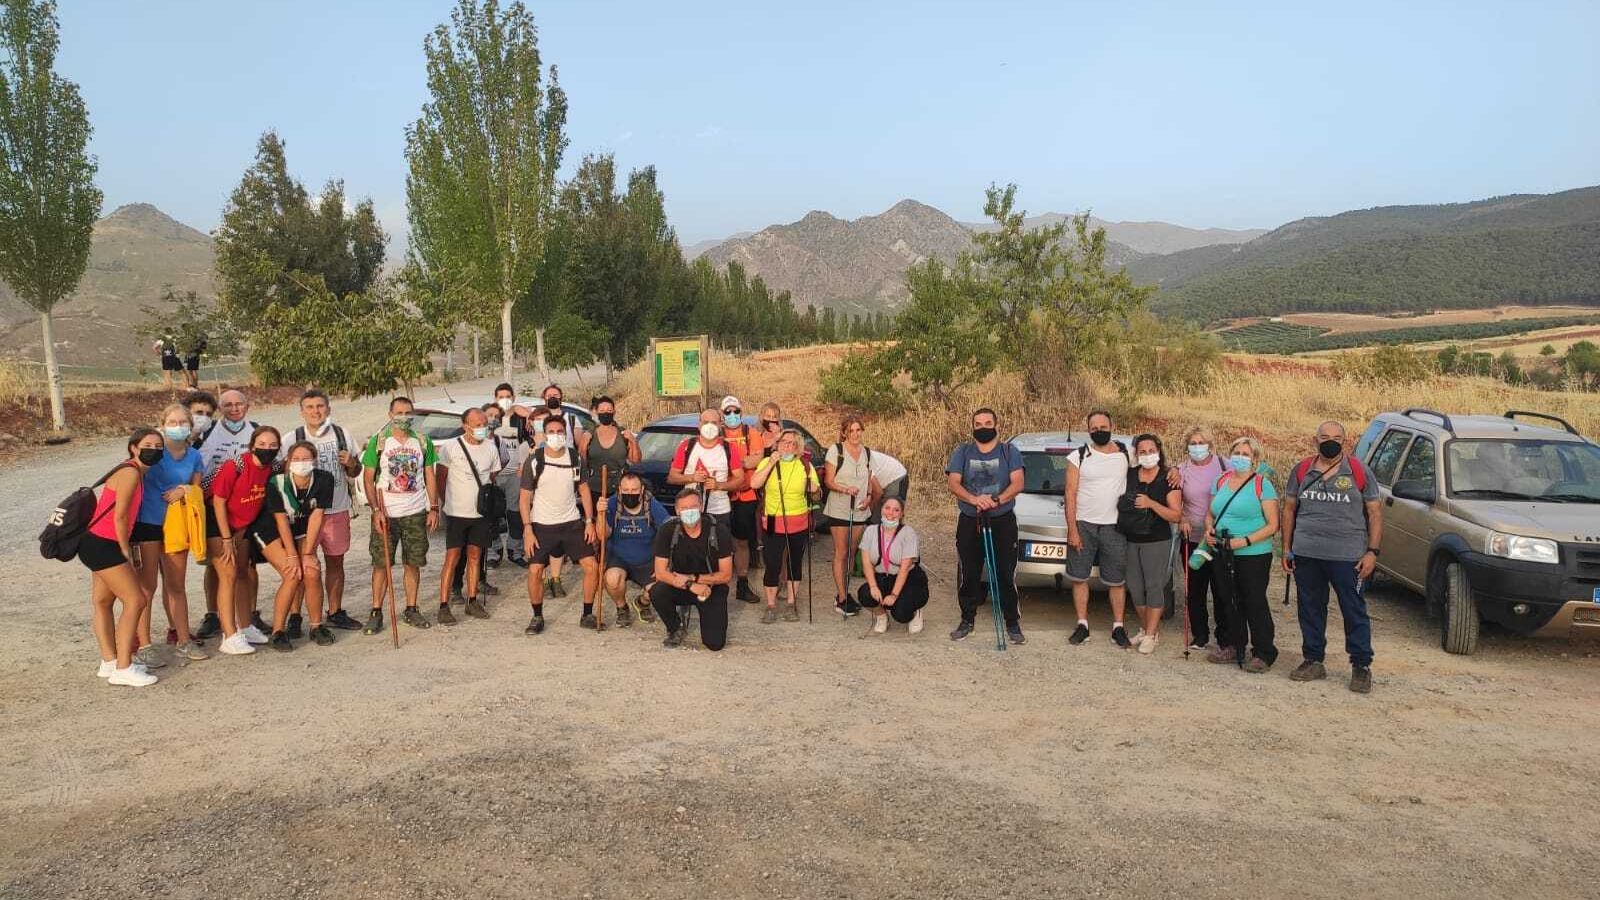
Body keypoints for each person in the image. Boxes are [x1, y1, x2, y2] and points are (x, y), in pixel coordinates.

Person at [1282, 420, 1382, 694]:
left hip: (1348, 556)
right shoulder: (1302, 469)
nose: (1331, 441)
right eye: (1325, 436)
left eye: (1337, 437)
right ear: (1315, 440)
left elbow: (1374, 513)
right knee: (1310, 609)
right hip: (1307, 553)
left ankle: (1361, 666)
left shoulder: (1359, 471)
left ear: (1345, 441)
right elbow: (1289, 509)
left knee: (1353, 610)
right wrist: (1286, 548)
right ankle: (1313, 660)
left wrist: (1372, 552)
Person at [83, 429, 164, 686]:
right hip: (105, 544)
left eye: (158, 445)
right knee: (136, 599)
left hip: (94, 542)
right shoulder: (130, 473)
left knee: (103, 601)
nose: (154, 449)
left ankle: (109, 661)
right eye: (147, 444)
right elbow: (120, 517)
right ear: (133, 448)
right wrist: (125, 552)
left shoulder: (132, 471)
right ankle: (123, 666)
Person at [281, 389, 364, 633]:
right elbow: (281, 473)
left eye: (320, 406)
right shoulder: (292, 438)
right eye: (310, 407)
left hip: (336, 509)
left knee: (335, 562)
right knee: (301, 566)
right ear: (301, 411)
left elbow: (355, 472)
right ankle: (295, 616)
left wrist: (351, 463)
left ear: (328, 408)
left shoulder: (342, 434)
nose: (315, 411)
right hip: (303, 514)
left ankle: (335, 611)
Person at [131, 404, 206, 668]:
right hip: (148, 524)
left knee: (176, 585)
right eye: (172, 421)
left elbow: (197, 489)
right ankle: (144, 644)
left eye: (183, 421)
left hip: (177, 524)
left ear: (190, 425)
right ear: (162, 424)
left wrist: (184, 490)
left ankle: (183, 639)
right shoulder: (153, 452)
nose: (178, 426)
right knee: (146, 588)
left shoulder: (195, 456)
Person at [945, 408, 1026, 644]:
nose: (983, 427)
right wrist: (974, 499)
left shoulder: (1009, 451)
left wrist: (996, 500)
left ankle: (1012, 623)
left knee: (1005, 573)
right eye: (978, 424)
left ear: (996, 425)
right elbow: (953, 482)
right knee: (969, 572)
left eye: (987, 423)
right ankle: (967, 620)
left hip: (1002, 519)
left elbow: (1018, 482)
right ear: (973, 427)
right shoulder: (963, 451)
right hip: (971, 519)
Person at [360, 397, 440, 634]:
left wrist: (433, 507)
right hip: (387, 512)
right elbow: (368, 477)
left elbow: (429, 474)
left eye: (408, 413)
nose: (403, 417)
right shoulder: (379, 442)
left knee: (413, 563)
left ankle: (411, 608)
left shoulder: (423, 442)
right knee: (381, 564)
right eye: (399, 412)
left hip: (414, 511)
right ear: (390, 415)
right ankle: (376, 611)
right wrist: (375, 510)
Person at [1204, 436, 1281, 672]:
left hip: (1253, 553)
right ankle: (1233, 645)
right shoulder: (1221, 480)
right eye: (1236, 452)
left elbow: (1272, 524)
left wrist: (1244, 541)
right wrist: (1209, 530)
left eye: (1246, 454)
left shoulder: (1261, 485)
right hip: (1223, 550)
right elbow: (1211, 512)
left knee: (1254, 601)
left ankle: (1263, 652)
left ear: (1255, 459)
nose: (1240, 457)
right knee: (1229, 599)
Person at [519, 415, 600, 633]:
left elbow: (583, 490)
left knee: (591, 566)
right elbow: (525, 497)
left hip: (571, 523)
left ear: (566, 433)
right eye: (552, 432)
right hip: (542, 524)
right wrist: (527, 529)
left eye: (560, 431)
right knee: (535, 570)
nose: (556, 435)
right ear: (545, 435)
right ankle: (537, 616)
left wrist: (590, 521)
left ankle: (588, 613)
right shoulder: (534, 460)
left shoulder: (575, 459)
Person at [195, 389, 265, 638]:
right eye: (228, 405)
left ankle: (250, 615)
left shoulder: (255, 430)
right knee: (216, 566)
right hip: (213, 505)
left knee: (247, 565)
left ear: (247, 406)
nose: (234, 409)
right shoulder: (206, 432)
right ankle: (213, 615)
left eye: (239, 404)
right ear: (220, 408)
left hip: (246, 508)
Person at [208, 426, 281, 656]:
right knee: (228, 576)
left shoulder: (271, 468)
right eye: (262, 444)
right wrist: (226, 538)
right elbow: (218, 502)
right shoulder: (236, 466)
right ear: (252, 445)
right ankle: (229, 635)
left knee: (242, 573)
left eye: (272, 445)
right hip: (217, 525)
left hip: (242, 527)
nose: (266, 449)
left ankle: (246, 625)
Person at [1065, 410, 1134, 648]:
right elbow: (1070, 493)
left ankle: (1118, 627)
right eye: (1094, 428)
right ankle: (1082, 624)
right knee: (1079, 576)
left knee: (1116, 580)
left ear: (1111, 425)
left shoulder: (1128, 453)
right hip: (1084, 524)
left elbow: (1152, 466)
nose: (1099, 431)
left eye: (1103, 427)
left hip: (1116, 526)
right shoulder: (1078, 456)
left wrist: (1174, 471)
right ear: (1088, 430)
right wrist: (1072, 529)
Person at [258, 441, 335, 651]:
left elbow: (317, 517)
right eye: (297, 459)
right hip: (270, 531)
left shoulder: (324, 478)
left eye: (306, 458)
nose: (302, 463)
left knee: (311, 571)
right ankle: (278, 631)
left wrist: (309, 552)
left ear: (315, 460)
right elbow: (281, 520)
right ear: (289, 461)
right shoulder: (277, 482)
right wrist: (293, 555)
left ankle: (316, 626)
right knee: (292, 573)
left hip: (300, 530)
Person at [436, 407, 501, 625]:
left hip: (480, 514)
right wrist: (446, 502)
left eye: (485, 423)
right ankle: (444, 605)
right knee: (452, 558)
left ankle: (472, 599)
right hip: (456, 512)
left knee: (475, 556)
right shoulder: (450, 447)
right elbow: (441, 478)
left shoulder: (491, 448)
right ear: (466, 426)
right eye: (478, 424)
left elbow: (493, 475)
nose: (483, 427)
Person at [1119, 434, 1183, 654]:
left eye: (1151, 450)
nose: (1147, 455)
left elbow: (1175, 515)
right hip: (1131, 538)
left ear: (1159, 451)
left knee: (1154, 586)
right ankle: (1147, 629)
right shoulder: (1129, 475)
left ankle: (1151, 634)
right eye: (1142, 451)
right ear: (1136, 454)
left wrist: (1151, 503)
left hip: (1157, 540)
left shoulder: (1168, 479)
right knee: (1135, 588)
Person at [748, 428, 820, 623]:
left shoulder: (805, 466)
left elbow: (816, 493)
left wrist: (813, 489)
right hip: (772, 520)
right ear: (777, 444)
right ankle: (770, 605)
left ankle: (791, 604)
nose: (788, 446)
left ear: (798, 448)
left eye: (792, 443)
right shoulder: (767, 462)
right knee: (772, 564)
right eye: (784, 442)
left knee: (794, 563)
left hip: (798, 521)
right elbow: (754, 483)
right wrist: (771, 462)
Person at [650, 489, 734, 651]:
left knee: (715, 644)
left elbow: (726, 575)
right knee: (657, 591)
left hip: (711, 587)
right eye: (684, 508)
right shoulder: (667, 530)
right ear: (677, 511)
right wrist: (691, 585)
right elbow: (660, 572)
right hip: (681, 584)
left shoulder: (719, 531)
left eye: (693, 507)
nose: (689, 512)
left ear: (701, 507)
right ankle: (675, 627)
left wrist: (695, 579)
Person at [1175, 425, 1227, 651]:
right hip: (1193, 537)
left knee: (1221, 588)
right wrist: (1181, 518)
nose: (1197, 447)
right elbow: (1175, 500)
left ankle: (1225, 635)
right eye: (1193, 443)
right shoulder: (1180, 469)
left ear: (1210, 444)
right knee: (1195, 589)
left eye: (1201, 442)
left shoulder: (1226, 465)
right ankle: (1200, 634)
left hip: (1220, 537)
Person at [822, 416, 879, 617]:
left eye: (858, 430)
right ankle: (842, 597)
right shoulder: (835, 451)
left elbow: (870, 481)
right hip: (839, 508)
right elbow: (828, 481)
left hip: (860, 509)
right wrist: (845, 490)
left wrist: (869, 497)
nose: (855, 434)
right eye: (851, 430)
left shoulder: (868, 453)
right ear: (844, 432)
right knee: (842, 552)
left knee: (852, 552)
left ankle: (845, 592)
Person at [596, 472, 668, 625]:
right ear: (620, 490)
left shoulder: (651, 504)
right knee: (612, 579)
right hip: (620, 558)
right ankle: (622, 607)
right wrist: (600, 514)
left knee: (659, 587)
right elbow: (602, 535)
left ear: (641, 490)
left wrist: (664, 563)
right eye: (626, 490)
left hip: (648, 560)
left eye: (634, 490)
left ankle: (642, 602)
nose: (630, 494)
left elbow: (667, 530)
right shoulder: (612, 504)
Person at [667, 407, 747, 538]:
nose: (709, 426)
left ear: (721, 425)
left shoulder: (729, 448)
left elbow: (740, 479)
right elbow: (671, 477)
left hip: (720, 510)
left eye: (714, 422)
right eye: (705, 422)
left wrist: (718, 485)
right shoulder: (687, 446)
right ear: (699, 425)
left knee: (720, 549)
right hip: (690, 510)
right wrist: (692, 477)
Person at [855, 496, 929, 635]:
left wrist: (894, 595)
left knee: (900, 613)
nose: (890, 513)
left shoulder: (908, 533)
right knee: (865, 594)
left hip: (909, 579)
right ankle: (881, 616)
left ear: (901, 514)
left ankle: (915, 612)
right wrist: (873, 586)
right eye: (887, 508)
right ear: (881, 510)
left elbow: (905, 568)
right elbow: (866, 562)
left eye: (896, 510)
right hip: (882, 576)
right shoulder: (870, 531)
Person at [716, 395, 764, 604]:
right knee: (718, 540)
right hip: (720, 494)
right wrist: (742, 465)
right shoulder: (716, 434)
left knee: (742, 541)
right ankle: (717, 585)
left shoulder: (751, 433)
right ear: (722, 414)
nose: (732, 415)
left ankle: (742, 584)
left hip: (745, 494)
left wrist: (733, 463)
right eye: (728, 412)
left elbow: (758, 457)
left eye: (736, 411)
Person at [579, 394, 640, 499]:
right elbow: (582, 464)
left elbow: (635, 460)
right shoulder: (589, 435)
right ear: (596, 412)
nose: (606, 413)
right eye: (602, 411)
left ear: (614, 412)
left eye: (609, 410)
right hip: (594, 488)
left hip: (619, 487)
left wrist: (633, 441)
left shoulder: (623, 434)